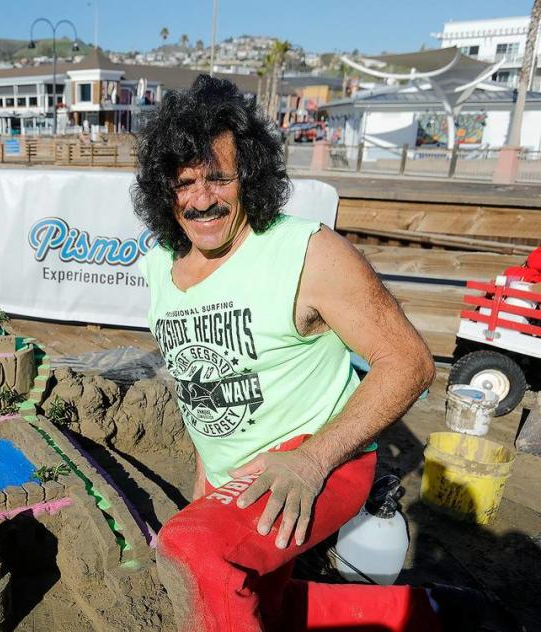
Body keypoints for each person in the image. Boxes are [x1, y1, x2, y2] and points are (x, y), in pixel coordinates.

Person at [132, 75, 520, 632]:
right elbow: (205, 391)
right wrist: (207, 491)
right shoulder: (160, 268)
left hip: (320, 458)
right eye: (185, 182)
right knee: (263, 608)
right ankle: (436, 615)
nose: (201, 199)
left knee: (193, 556)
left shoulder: (305, 250)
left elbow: (408, 362)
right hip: (238, 476)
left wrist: (313, 459)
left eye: (219, 178)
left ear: (251, 177)